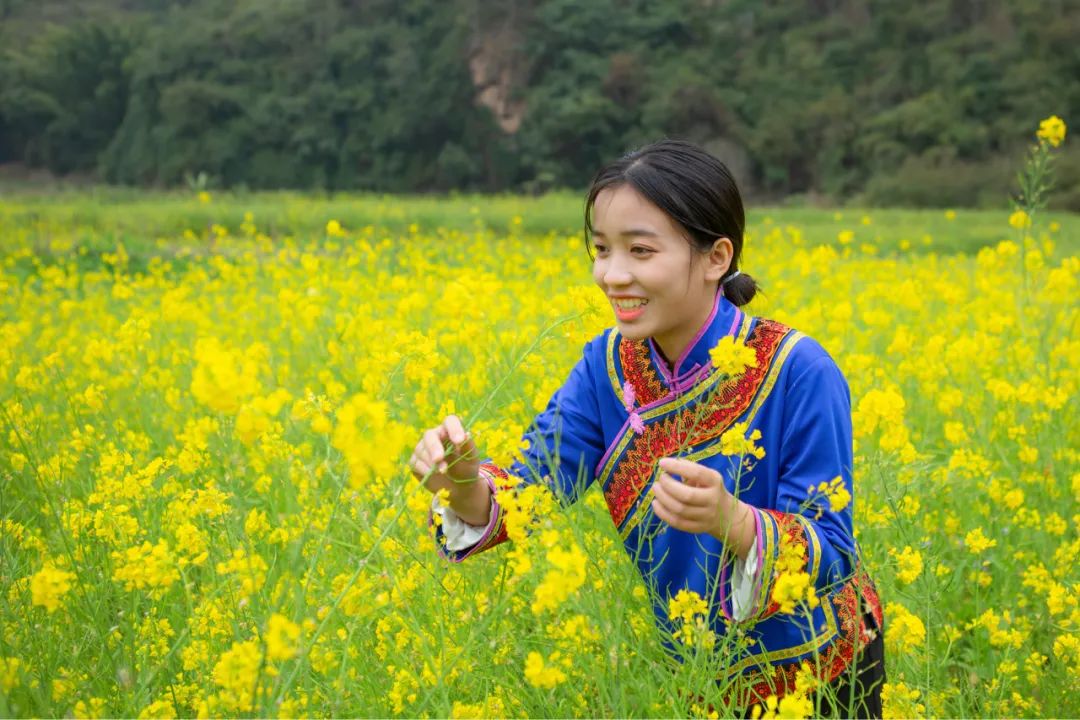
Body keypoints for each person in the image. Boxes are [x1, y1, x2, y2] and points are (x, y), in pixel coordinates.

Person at [408, 140, 885, 718]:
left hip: (823, 672)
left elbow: (832, 550)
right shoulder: (605, 367)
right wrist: (460, 481)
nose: (612, 275)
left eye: (640, 250)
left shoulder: (798, 371)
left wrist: (731, 520)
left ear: (716, 257)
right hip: (700, 672)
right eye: (602, 249)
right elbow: (527, 494)